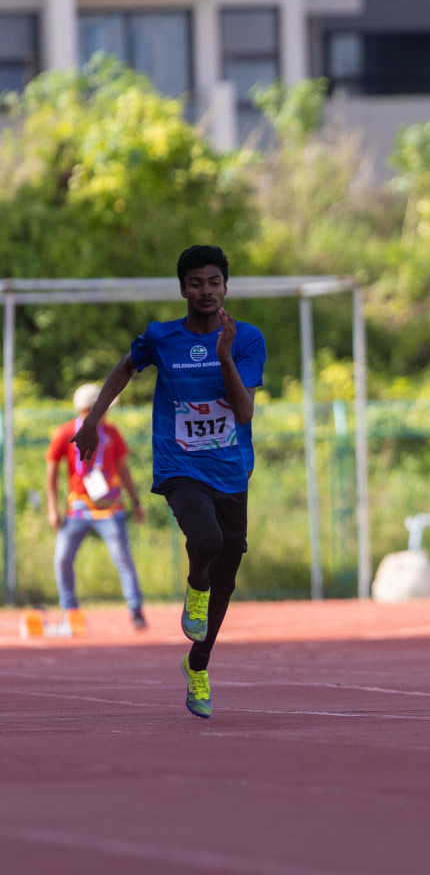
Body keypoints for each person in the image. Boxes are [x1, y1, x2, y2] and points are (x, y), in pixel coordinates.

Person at [73, 245, 266, 717]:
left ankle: (197, 666)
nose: (206, 290)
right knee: (204, 539)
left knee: (227, 576)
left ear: (225, 287)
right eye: (196, 283)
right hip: (179, 465)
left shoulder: (245, 339)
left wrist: (223, 357)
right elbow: (125, 366)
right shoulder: (162, 338)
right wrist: (94, 419)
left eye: (214, 282)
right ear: (183, 289)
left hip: (231, 469)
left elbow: (243, 412)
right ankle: (193, 584)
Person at [46, 383, 148, 630]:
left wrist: (135, 502)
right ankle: (70, 610)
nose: (107, 411)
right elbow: (52, 472)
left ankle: (135, 610)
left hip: (110, 509)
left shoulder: (112, 433)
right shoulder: (65, 432)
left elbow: (124, 469)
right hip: (77, 510)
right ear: (89, 409)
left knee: (123, 558)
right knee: (62, 558)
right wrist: (52, 508)